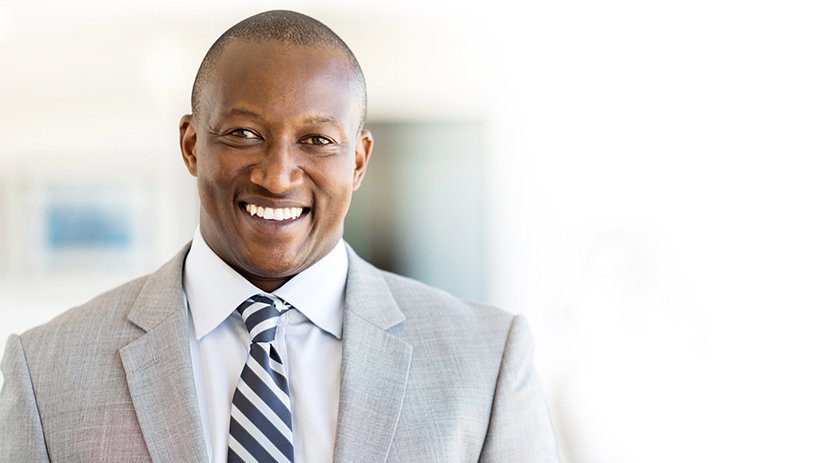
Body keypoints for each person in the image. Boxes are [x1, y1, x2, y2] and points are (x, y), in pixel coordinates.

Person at [0, 10, 560, 463]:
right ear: (193, 145)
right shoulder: (44, 371)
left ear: (359, 161)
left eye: (316, 140)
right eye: (244, 134)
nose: (276, 175)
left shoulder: (487, 362)